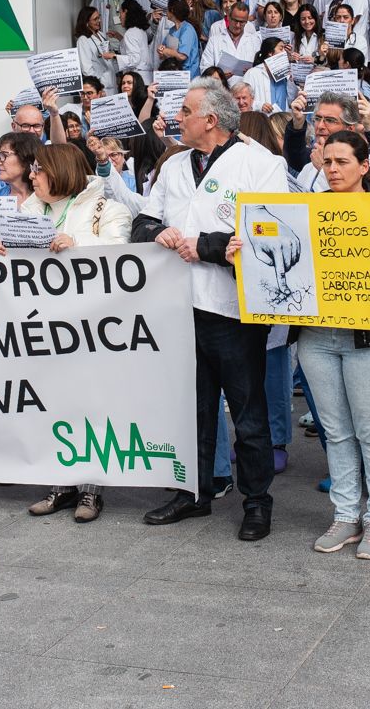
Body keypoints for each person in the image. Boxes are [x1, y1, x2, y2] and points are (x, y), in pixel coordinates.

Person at [244, 129, 370, 560]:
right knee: (335, 431)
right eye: (328, 161)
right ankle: (344, 515)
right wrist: (242, 255)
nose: (334, 169)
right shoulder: (305, 210)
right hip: (319, 338)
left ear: (363, 165)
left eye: (343, 161)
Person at [132, 78, 287, 540]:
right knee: (191, 408)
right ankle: (193, 492)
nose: (175, 118)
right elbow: (143, 220)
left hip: (232, 311)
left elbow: (270, 236)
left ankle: (257, 501)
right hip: (179, 307)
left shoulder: (262, 164)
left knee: (247, 411)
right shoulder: (176, 165)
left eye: (184, 111)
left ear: (211, 120)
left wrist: (208, 247)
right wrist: (156, 234)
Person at [0, 143, 134, 523]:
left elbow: (123, 253)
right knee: (52, 406)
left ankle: (91, 490)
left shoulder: (108, 210)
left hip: (92, 330)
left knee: (92, 407)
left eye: (39, 170)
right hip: (44, 330)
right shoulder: (27, 213)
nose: (32, 176)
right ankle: (60, 484)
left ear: (61, 172)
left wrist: (80, 245)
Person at [74, 5, 117, 94]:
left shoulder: (101, 34)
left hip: (112, 82)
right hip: (101, 86)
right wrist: (98, 85)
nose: (99, 21)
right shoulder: (83, 40)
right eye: (95, 19)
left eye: (99, 17)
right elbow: (86, 69)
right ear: (86, 21)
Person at [156, 0, 200, 77]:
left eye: (167, 9)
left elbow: (182, 56)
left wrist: (165, 51)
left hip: (188, 76)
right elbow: (163, 51)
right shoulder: (172, 30)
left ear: (172, 11)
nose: (166, 12)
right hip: (174, 73)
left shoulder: (187, 29)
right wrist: (161, 50)